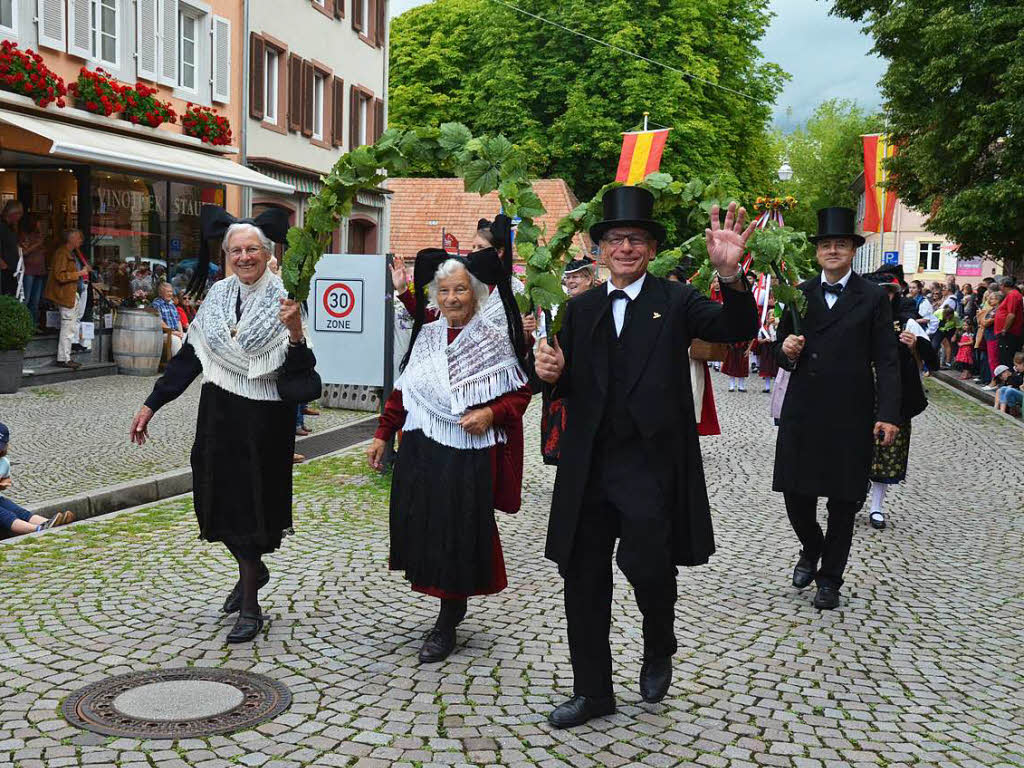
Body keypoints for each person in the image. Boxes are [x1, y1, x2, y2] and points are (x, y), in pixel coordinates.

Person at [534, 188, 758, 728]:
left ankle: (659, 640)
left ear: (651, 247)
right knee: (582, 576)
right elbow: (561, 379)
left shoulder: (677, 301)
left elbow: (737, 331)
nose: (626, 247)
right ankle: (593, 692)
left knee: (648, 567)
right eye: (616, 239)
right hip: (588, 467)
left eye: (637, 239)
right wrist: (547, 373)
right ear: (600, 249)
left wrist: (730, 277)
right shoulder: (580, 307)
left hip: (651, 466)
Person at [129, 206, 320, 645]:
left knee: (251, 507)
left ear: (266, 252)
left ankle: (251, 605)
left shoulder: (286, 297)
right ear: (226, 254)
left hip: (263, 419)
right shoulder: (217, 295)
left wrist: (294, 333)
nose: (244, 257)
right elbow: (191, 357)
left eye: (252, 249)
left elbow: (302, 375)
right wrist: (152, 403)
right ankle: (254, 571)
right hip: (218, 413)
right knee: (213, 499)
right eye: (236, 250)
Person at [367, 247, 530, 664]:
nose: (452, 298)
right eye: (444, 291)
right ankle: (442, 599)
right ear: (435, 296)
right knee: (423, 526)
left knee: (456, 533)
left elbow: (520, 393)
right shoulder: (428, 335)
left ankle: (447, 618)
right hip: (422, 446)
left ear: (475, 293)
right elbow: (406, 389)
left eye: (460, 289)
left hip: (467, 453)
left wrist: (491, 412)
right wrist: (384, 433)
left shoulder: (494, 340)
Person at [773, 207, 900, 611]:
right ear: (817, 252)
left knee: (843, 502)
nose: (832, 250)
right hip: (804, 409)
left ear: (852, 251)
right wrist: (786, 351)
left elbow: (888, 358)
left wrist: (890, 413)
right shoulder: (799, 294)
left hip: (851, 411)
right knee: (795, 493)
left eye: (840, 244)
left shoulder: (873, 296)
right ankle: (812, 546)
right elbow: (779, 350)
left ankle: (831, 579)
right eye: (826, 244)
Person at [862, 270, 938, 530]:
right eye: (882, 290)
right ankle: (851, 498)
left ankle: (876, 507)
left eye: (891, 291)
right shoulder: (859, 317)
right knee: (854, 448)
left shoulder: (907, 322)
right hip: (858, 394)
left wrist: (915, 345)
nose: (887, 295)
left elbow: (933, 362)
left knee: (887, 451)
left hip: (895, 396)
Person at [0, 424, 75, 536]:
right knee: (5, 515)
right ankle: (38, 529)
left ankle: (49, 522)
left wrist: (3, 484)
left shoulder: (3, 462)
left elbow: (6, 480)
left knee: (17, 510)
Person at [44, 229, 90, 370]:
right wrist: (80, 273)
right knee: (68, 327)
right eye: (79, 238)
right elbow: (60, 276)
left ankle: (65, 357)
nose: (81, 241)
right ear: (72, 239)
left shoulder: (69, 253)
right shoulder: (63, 254)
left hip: (71, 293)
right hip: (66, 294)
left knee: (69, 326)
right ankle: (64, 358)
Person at [19, 215, 47, 326]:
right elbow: (24, 252)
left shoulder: (39, 236)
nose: (40, 226)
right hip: (28, 271)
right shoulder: (24, 236)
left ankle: (33, 325)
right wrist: (37, 245)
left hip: (40, 270)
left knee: (35, 301)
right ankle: (22, 325)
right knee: (26, 299)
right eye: (39, 223)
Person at [994, 276, 1023, 367]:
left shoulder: (1013, 295)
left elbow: (1011, 315)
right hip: (1008, 332)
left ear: (1003, 285)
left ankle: (1008, 379)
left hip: (1009, 333)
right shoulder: (1012, 295)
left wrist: (1004, 329)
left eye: (1000, 285)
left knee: (1006, 358)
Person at [152, 281, 185, 358]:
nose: (170, 294)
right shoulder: (156, 304)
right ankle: (177, 366)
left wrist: (181, 332)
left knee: (190, 338)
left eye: (171, 292)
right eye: (168, 292)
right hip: (163, 334)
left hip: (175, 332)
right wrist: (173, 332)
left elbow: (178, 320)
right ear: (161, 293)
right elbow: (159, 321)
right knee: (176, 340)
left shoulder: (172, 304)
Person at [979, 289, 1003, 388]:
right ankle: (992, 379)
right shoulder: (992, 309)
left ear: (998, 299)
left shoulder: (998, 310)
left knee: (994, 360)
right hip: (988, 336)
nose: (990, 300)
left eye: (992, 298)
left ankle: (994, 381)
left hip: (994, 336)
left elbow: (984, 322)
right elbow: (981, 321)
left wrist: (982, 318)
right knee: (990, 359)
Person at [0, 200, 23, 296]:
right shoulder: (1, 226)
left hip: (13, 269)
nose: (19, 217)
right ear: (12, 213)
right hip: (4, 271)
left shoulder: (11, 227)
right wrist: (1, 263)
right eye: (19, 214)